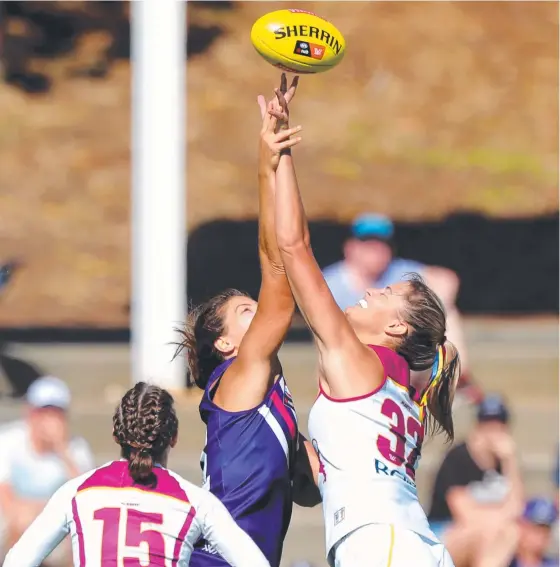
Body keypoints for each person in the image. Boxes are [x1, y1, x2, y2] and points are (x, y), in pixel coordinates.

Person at [266, 91, 456, 566]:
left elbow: (294, 247)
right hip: (408, 543)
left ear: (395, 326)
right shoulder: (400, 393)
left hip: (382, 544)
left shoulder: (359, 363)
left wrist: (279, 154)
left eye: (385, 295)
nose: (370, 292)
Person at [176, 75, 320, 567]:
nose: (258, 310)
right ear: (225, 345)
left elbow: (305, 491)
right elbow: (276, 268)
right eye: (245, 311)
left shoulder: (270, 392)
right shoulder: (238, 377)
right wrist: (268, 162)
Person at [3, 382, 272, 567]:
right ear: (174, 438)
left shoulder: (76, 492)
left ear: (115, 434)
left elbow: (17, 561)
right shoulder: (197, 502)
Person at [322, 213, 482, 403]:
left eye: (382, 245)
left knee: (443, 314)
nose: (376, 251)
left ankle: (452, 373)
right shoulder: (331, 282)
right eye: (368, 244)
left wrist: (428, 311)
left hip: (398, 350)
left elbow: (446, 280)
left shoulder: (399, 271)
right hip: (351, 353)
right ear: (350, 247)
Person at [0, 375, 93, 564]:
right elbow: (8, 502)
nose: (49, 420)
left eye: (56, 413)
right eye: (43, 413)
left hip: (56, 525)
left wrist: (62, 450)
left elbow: (88, 500)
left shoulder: (76, 449)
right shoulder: (8, 441)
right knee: (23, 520)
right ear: (30, 413)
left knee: (81, 532)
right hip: (14, 526)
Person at [428, 393, 524, 550]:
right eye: (487, 424)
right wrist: (501, 518)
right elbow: (465, 514)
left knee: (512, 533)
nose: (494, 431)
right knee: (497, 533)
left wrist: (510, 461)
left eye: (499, 424)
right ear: (478, 426)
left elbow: (517, 508)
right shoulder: (458, 458)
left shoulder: (504, 462)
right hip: (445, 530)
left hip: (488, 532)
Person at [508, 498, 559, 567]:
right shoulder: (501, 561)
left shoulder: (554, 564)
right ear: (521, 527)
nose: (541, 536)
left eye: (546, 530)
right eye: (536, 529)